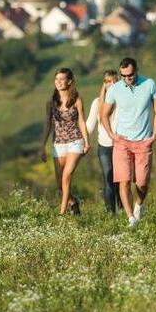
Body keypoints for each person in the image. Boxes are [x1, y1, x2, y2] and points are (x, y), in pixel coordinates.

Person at [101, 57, 156, 228]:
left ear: (136, 70)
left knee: (142, 183)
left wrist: (154, 135)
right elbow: (103, 114)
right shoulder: (115, 89)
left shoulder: (149, 84)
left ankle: (139, 206)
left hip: (144, 141)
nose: (127, 78)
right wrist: (112, 135)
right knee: (124, 180)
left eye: (130, 75)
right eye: (123, 76)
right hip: (122, 142)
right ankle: (131, 219)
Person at [40, 68, 90, 215]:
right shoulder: (51, 102)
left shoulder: (77, 99)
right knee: (59, 184)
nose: (59, 82)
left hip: (75, 141)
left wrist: (87, 142)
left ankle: (62, 213)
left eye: (62, 79)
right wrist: (42, 146)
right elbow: (47, 124)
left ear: (69, 81)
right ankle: (74, 202)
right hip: (58, 144)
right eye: (56, 79)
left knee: (66, 176)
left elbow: (81, 120)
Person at [85, 69, 121, 215]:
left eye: (111, 81)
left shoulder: (122, 102)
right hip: (105, 147)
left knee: (121, 181)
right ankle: (110, 214)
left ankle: (124, 210)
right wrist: (80, 138)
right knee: (108, 180)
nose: (108, 84)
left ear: (117, 82)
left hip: (121, 145)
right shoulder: (97, 103)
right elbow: (89, 126)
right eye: (106, 81)